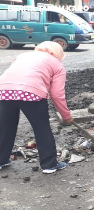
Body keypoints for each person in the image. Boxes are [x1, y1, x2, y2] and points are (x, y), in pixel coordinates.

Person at [0, 41, 72, 174]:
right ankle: (49, 165)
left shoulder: (22, 55)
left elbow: (16, 76)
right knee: (42, 129)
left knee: (5, 127)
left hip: (4, 90)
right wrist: (66, 116)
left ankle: (1, 159)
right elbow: (57, 95)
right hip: (32, 92)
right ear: (59, 54)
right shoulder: (57, 65)